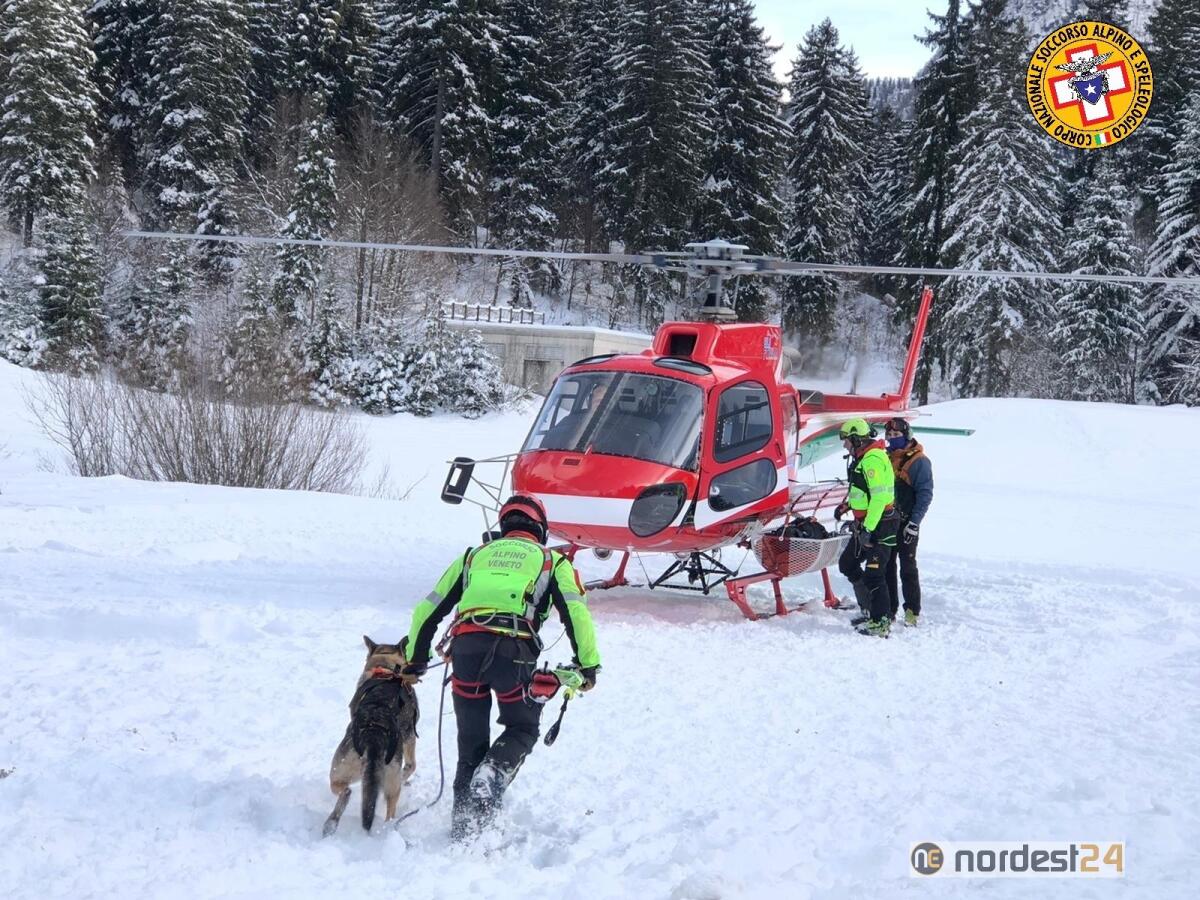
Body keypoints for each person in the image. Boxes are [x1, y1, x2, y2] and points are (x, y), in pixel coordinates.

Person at [400, 495, 601, 841]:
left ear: (504, 525)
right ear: (540, 528)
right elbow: (576, 612)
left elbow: (426, 611)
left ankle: (463, 833)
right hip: (514, 652)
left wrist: (416, 659)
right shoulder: (552, 561)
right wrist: (588, 665)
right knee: (522, 728)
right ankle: (493, 775)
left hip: (466, 653)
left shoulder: (473, 557)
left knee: (470, 747)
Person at [834, 418, 900, 637]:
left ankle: (881, 622)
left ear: (857, 439)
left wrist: (868, 529)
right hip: (865, 524)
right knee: (847, 563)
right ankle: (870, 609)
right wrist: (848, 506)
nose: (845, 445)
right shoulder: (864, 458)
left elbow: (879, 499)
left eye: (847, 441)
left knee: (874, 575)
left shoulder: (872, 460)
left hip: (881, 526)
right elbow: (864, 492)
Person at [884, 417, 933, 627]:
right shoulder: (885, 458)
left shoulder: (919, 462)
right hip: (888, 521)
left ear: (906, 436)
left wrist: (914, 523)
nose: (892, 438)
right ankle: (889, 608)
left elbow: (925, 494)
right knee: (887, 566)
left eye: (896, 435)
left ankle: (912, 610)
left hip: (907, 523)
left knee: (908, 567)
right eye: (889, 435)